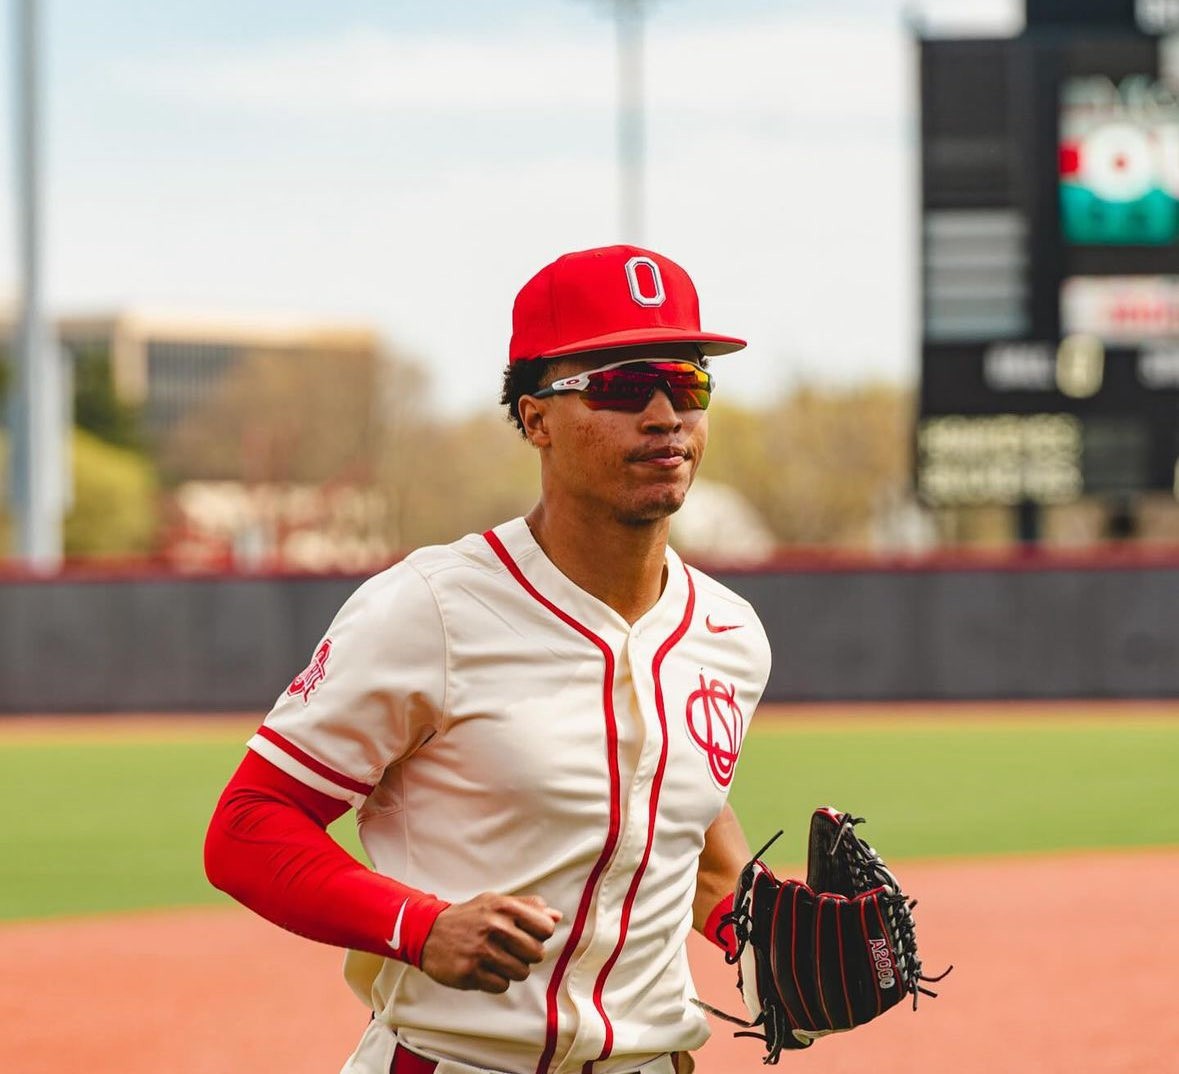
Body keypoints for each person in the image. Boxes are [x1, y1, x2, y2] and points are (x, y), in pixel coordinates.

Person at [204, 244, 773, 1074]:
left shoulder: (728, 631)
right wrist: (419, 926)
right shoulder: (431, 608)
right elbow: (248, 827)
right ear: (535, 418)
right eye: (619, 386)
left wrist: (755, 931)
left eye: (687, 383)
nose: (663, 415)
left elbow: (684, 830)